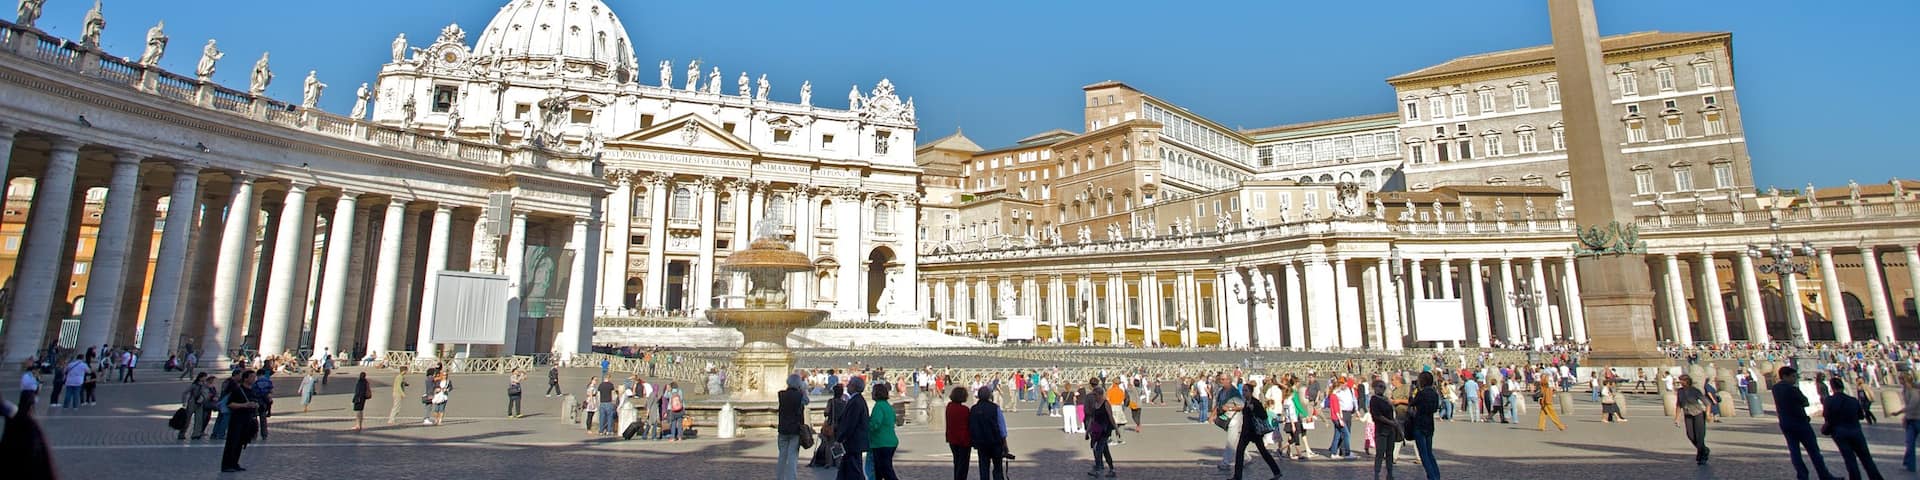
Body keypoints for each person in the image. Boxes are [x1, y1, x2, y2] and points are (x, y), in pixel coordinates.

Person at [1774, 366, 1841, 480]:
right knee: (1814, 451)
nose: (1795, 379)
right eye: (1793, 376)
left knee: (1795, 452)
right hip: (1800, 422)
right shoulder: (1792, 389)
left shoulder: (1775, 388)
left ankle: (1802, 475)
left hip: (1785, 423)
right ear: (1785, 376)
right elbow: (1805, 402)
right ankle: (1824, 474)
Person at [1826, 376, 1886, 479]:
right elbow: (1861, 416)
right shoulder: (1853, 400)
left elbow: (1827, 416)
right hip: (1855, 431)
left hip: (1839, 433)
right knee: (1866, 458)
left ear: (1832, 387)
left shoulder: (1829, 401)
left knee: (1850, 460)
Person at [1233, 381, 1282, 480]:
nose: (1244, 392)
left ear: (1251, 392)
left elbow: (1264, 415)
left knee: (1263, 452)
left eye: (1246, 391)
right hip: (1245, 432)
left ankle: (1277, 472)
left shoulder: (1255, 402)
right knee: (1239, 452)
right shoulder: (1245, 402)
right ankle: (1237, 477)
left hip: (1256, 432)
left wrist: (1254, 409)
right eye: (1243, 390)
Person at [219, 370, 261, 472]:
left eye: (254, 377)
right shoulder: (238, 390)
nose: (254, 379)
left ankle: (234, 463)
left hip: (248, 419)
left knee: (241, 442)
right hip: (237, 419)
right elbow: (230, 404)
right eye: (252, 377)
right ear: (245, 378)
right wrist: (244, 405)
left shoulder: (253, 390)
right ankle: (226, 465)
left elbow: (256, 402)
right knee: (232, 442)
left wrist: (256, 405)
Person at [969, 385, 1009, 480]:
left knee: (983, 469)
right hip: (995, 442)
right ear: (989, 396)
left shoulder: (974, 409)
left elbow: (971, 426)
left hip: (981, 443)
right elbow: (1001, 427)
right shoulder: (995, 408)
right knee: (998, 468)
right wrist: (1005, 444)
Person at [835, 377, 872, 480]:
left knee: (854, 470)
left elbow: (850, 423)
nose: (847, 386)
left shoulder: (855, 402)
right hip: (854, 442)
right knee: (849, 469)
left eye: (849, 384)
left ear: (854, 387)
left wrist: (840, 438)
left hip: (853, 442)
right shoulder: (858, 400)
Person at [1408, 371, 1442, 480]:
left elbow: (1412, 403)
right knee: (1429, 452)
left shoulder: (1421, 394)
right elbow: (1436, 408)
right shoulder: (1434, 394)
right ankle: (1436, 475)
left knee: (1423, 454)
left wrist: (1411, 392)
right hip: (1430, 424)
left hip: (1420, 424)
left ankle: (1432, 477)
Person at [1673, 374, 1712, 465]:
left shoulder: (1695, 391)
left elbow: (1707, 403)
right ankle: (1704, 450)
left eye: (1682, 381)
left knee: (1699, 436)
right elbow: (1678, 405)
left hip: (1698, 414)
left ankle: (1701, 456)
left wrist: (1707, 414)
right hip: (1688, 415)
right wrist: (1677, 418)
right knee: (1690, 435)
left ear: (1687, 381)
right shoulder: (1680, 391)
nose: (1680, 383)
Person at [777, 374, 809, 480]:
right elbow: (807, 401)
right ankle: (791, 478)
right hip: (795, 429)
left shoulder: (781, 394)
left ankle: (780, 477)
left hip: (783, 429)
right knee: (792, 456)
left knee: (782, 456)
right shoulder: (800, 395)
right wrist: (803, 390)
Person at [1085, 379, 1118, 478]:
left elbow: (1111, 417)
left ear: (1100, 395)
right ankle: (1112, 469)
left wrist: (1116, 429)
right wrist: (1087, 431)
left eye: (1095, 395)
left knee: (1098, 449)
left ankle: (1098, 470)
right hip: (1097, 430)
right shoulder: (1095, 404)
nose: (1094, 397)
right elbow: (1092, 418)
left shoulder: (1106, 404)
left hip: (1105, 430)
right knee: (1105, 450)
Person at [868, 382, 901, 480]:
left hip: (881, 442)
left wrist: (867, 426)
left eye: (873, 391)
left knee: (885, 470)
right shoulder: (888, 406)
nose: (871, 393)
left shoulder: (878, 406)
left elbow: (876, 423)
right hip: (890, 441)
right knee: (881, 470)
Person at [1369, 380, 1400, 480]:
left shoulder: (1385, 399)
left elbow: (1391, 413)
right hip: (1381, 429)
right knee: (1380, 452)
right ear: (1375, 387)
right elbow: (1377, 416)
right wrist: (1390, 422)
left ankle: (1390, 473)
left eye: (1383, 387)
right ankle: (1376, 473)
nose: (1382, 388)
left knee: (1390, 452)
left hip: (1390, 429)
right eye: (1380, 386)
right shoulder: (1374, 399)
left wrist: (1395, 423)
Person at [1892, 373, 1920, 472]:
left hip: (1918, 419)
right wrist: (1905, 417)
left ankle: (1908, 463)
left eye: (1900, 379)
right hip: (1910, 419)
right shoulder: (1905, 390)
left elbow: (1912, 405)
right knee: (1910, 443)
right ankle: (1910, 465)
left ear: (1905, 380)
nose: (1899, 381)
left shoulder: (1914, 391)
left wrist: (1899, 412)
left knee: (1910, 443)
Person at [946, 386, 973, 480]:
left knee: (957, 462)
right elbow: (969, 424)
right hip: (963, 440)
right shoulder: (965, 410)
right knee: (963, 465)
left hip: (952, 439)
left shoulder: (949, 407)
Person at [178, 373, 210, 440]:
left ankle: (196, 434)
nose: (205, 379)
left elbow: (207, 394)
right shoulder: (194, 385)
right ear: (200, 377)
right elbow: (185, 392)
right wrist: (184, 402)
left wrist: (203, 398)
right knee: (187, 419)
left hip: (200, 403)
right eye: (204, 377)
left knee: (199, 419)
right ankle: (182, 433)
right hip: (192, 402)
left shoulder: (205, 385)